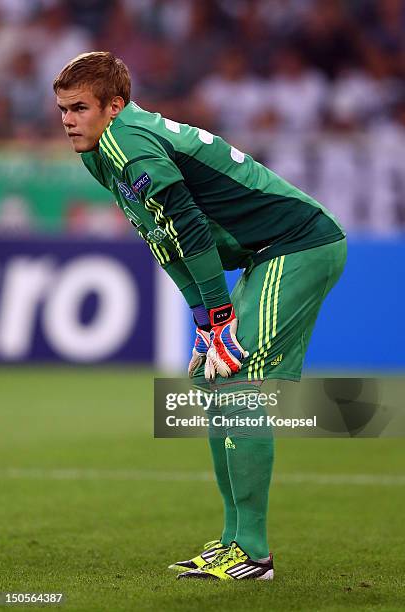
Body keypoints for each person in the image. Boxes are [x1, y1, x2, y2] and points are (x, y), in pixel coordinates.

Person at [53, 51, 346, 581]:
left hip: (299, 243)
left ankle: (254, 554)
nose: (68, 120)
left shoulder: (129, 142)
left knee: (240, 387)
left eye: (79, 108)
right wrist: (203, 319)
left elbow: (188, 227)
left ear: (113, 107)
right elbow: (161, 237)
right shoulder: (101, 153)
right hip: (266, 252)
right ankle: (232, 541)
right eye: (63, 110)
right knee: (215, 385)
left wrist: (220, 315)